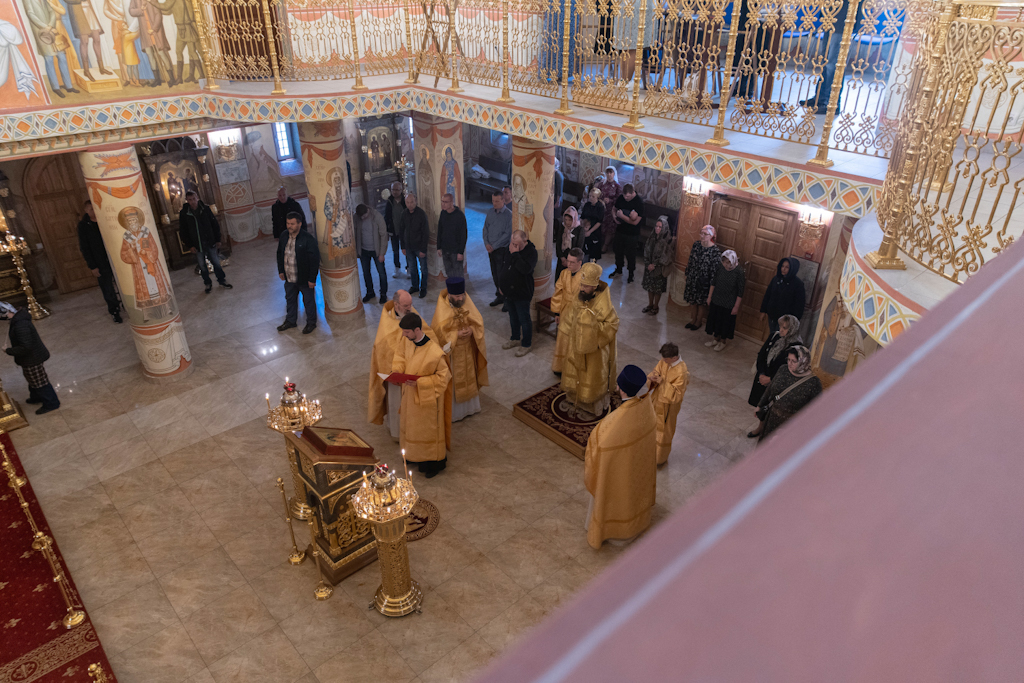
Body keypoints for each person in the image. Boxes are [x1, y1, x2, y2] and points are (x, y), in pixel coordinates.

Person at [583, 364, 657, 549]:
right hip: (637, 466)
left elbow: (600, 444)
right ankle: (637, 523)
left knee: (615, 491)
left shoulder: (615, 423)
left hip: (619, 470)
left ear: (621, 389)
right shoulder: (646, 408)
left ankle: (611, 530)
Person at [392, 312, 452, 478]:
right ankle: (412, 455)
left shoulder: (434, 352)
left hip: (426, 401)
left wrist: (420, 383)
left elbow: (444, 377)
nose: (404, 335)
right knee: (411, 427)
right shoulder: (407, 341)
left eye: (407, 332)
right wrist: (397, 371)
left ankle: (431, 464)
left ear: (417, 330)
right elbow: (400, 356)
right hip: (409, 397)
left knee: (426, 432)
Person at [368, 290, 434, 439]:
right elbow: (382, 350)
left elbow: (427, 334)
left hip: (415, 370)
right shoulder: (387, 322)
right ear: (396, 304)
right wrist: (395, 372)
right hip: (397, 375)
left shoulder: (412, 314)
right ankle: (398, 433)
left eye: (410, 304)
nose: (409, 308)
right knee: (397, 404)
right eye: (405, 306)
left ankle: (416, 431)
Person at [560, 262, 619, 417]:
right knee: (574, 372)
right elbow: (572, 314)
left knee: (591, 377)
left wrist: (592, 331)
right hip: (576, 346)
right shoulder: (579, 296)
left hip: (594, 351)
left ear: (595, 285)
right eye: (581, 284)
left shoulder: (604, 303)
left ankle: (591, 404)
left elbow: (613, 324)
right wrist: (569, 328)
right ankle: (573, 398)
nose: (581, 288)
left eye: (585, 286)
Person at [431, 277, 488, 422]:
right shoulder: (443, 308)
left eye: (462, 295)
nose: (461, 298)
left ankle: (471, 407)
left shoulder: (466, 301)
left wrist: (471, 330)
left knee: (469, 376)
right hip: (453, 352)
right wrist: (455, 334)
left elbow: (478, 322)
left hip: (467, 348)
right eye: (457, 296)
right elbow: (438, 332)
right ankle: (455, 413)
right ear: (450, 295)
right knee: (455, 380)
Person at [747, 314, 802, 438]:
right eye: (780, 326)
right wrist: (761, 373)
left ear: (793, 329)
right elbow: (761, 355)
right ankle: (761, 427)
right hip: (763, 378)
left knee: (772, 409)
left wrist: (771, 379)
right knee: (762, 405)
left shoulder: (797, 348)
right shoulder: (774, 336)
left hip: (777, 383)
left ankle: (768, 432)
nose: (781, 330)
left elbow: (790, 370)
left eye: (785, 328)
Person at [755, 345, 823, 442]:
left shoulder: (814, 383)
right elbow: (770, 389)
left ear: (803, 361)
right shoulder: (783, 369)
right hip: (771, 419)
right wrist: (760, 405)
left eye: (793, 361)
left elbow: (815, 412)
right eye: (788, 359)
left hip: (791, 426)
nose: (789, 364)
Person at [1, 302, 59, 415]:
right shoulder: (18, 319)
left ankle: (51, 403)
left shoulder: (20, 325)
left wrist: (8, 350)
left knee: (40, 382)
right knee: (32, 379)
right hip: (29, 358)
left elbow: (26, 347)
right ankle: (36, 397)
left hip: (32, 358)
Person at [77, 200, 122, 324]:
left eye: (95, 208)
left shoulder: (106, 221)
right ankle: (114, 311)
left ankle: (127, 305)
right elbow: (85, 247)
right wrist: (92, 266)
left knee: (123, 283)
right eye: (91, 209)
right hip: (99, 261)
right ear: (86, 210)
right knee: (107, 288)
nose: (94, 211)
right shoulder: (84, 226)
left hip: (114, 258)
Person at [179, 191, 232, 293]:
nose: (193, 201)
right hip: (197, 244)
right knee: (202, 266)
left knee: (216, 262)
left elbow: (214, 224)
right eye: (190, 200)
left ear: (197, 198)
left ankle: (222, 280)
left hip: (209, 241)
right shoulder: (184, 213)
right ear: (187, 201)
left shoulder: (205, 209)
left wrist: (217, 239)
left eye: (194, 199)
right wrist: (190, 245)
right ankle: (207, 283)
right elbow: (183, 231)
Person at [276, 212, 320, 334]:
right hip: (289, 277)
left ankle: (311, 323)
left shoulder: (308, 239)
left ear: (299, 224)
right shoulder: (284, 235)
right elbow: (280, 253)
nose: (289, 226)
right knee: (290, 300)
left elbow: (314, 260)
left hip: (304, 279)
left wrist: (312, 279)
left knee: (308, 302)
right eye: (288, 223)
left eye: (292, 224)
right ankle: (291, 321)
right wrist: (281, 270)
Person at [648, 343, 689, 466]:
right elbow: (655, 371)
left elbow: (676, 395)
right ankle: (648, 452)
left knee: (664, 432)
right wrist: (653, 378)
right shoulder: (664, 361)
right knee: (650, 426)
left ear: (674, 358)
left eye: (666, 359)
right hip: (656, 400)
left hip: (668, 408)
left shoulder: (682, 372)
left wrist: (662, 382)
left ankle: (659, 458)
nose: (663, 361)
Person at [500, 230, 538, 358]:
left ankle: (526, 344)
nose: (514, 246)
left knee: (524, 319)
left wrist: (515, 254)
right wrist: (501, 285)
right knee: (513, 317)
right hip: (509, 292)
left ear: (525, 241)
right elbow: (504, 266)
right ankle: (515, 338)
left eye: (517, 244)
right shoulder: (510, 248)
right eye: (512, 243)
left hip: (522, 292)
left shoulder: (531, 252)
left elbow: (525, 269)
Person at [551, 247, 584, 375]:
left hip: (578, 314)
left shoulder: (585, 277)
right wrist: (557, 312)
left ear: (580, 262)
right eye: (568, 261)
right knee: (562, 340)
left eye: (572, 262)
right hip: (565, 311)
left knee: (575, 341)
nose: (568, 264)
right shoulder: (564, 273)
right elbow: (558, 293)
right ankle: (560, 366)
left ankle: (572, 368)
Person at [705, 249, 744, 352]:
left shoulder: (739, 271)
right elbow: (714, 282)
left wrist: (736, 307)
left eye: (728, 262)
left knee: (725, 322)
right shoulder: (720, 267)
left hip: (729, 303)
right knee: (716, 319)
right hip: (717, 299)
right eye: (724, 262)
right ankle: (715, 339)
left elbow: (740, 291)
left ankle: (722, 342)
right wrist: (709, 296)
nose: (726, 265)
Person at [684, 225, 721, 331]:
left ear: (711, 236)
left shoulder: (715, 251)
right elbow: (690, 260)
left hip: (704, 281)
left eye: (705, 234)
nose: (702, 236)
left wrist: (711, 285)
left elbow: (714, 271)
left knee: (701, 303)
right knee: (692, 300)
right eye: (701, 233)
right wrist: (687, 273)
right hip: (693, 277)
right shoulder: (696, 245)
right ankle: (693, 320)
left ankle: (698, 322)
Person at [760, 257, 806, 334]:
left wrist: (791, 322)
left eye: (787, 267)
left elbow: (799, 306)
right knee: (772, 335)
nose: (783, 269)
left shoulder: (798, 285)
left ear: (792, 269)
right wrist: (763, 311)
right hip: (772, 315)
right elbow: (768, 295)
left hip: (785, 320)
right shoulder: (776, 279)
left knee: (779, 338)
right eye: (782, 266)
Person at [482, 189, 513, 307]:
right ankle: (499, 296)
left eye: (497, 201)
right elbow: (485, 228)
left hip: (501, 250)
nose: (494, 203)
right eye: (493, 201)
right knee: (494, 273)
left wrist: (494, 246)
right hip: (490, 249)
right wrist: (486, 243)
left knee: (502, 275)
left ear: (503, 200)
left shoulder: (509, 215)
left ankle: (507, 299)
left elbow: (507, 234)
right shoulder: (490, 212)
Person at [354, 203, 389, 304]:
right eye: (361, 217)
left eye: (364, 216)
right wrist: (357, 250)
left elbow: (383, 235)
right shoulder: (357, 217)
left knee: (381, 273)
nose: (362, 218)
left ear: (367, 211)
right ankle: (370, 292)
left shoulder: (377, 216)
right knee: (366, 273)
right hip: (363, 250)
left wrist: (382, 253)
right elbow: (355, 233)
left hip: (376, 250)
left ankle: (383, 294)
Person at [611, 183, 644, 282]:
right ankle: (618, 269)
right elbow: (614, 209)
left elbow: (635, 222)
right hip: (620, 230)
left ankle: (631, 274)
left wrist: (622, 216)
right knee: (618, 251)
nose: (625, 198)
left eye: (628, 196)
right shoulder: (621, 198)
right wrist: (614, 217)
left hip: (632, 233)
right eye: (624, 196)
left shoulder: (639, 202)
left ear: (633, 192)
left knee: (630, 254)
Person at [641, 215, 674, 316]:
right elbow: (646, 250)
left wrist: (655, 265)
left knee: (657, 289)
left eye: (660, 227)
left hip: (659, 268)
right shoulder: (652, 237)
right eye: (656, 226)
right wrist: (648, 263)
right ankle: (650, 304)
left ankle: (656, 306)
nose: (657, 228)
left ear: (664, 228)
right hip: (649, 267)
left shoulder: (668, 240)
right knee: (650, 287)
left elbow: (667, 256)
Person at [402, 193, 430, 299]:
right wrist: (403, 246)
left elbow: (425, 233)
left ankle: (423, 288)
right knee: (412, 268)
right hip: (409, 247)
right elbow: (401, 230)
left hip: (419, 247)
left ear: (416, 201)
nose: (410, 204)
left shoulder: (421, 214)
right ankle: (415, 286)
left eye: (412, 202)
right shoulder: (404, 214)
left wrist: (423, 249)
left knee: (423, 268)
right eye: (407, 202)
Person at [436, 193, 467, 278]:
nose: (443, 204)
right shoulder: (443, 213)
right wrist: (439, 247)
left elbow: (463, 235)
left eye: (445, 202)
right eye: (442, 201)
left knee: (458, 276)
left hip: (455, 251)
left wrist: (460, 252)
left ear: (451, 202)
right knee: (449, 275)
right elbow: (440, 230)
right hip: (445, 249)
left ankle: (460, 288)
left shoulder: (459, 215)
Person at [383, 181, 407, 276]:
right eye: (393, 189)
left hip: (405, 231)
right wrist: (387, 231)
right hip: (394, 231)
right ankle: (397, 268)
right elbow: (386, 217)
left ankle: (409, 268)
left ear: (401, 190)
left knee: (406, 249)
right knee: (395, 251)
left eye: (397, 190)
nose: (395, 192)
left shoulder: (405, 201)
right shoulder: (389, 202)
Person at [555, 207, 584, 280]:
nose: (567, 222)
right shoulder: (562, 227)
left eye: (570, 220)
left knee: (571, 280)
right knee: (560, 278)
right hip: (562, 258)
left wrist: (569, 261)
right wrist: (562, 258)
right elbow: (558, 243)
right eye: (566, 220)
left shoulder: (580, 229)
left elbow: (579, 247)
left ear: (574, 219)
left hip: (573, 259)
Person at [597, 167, 621, 254]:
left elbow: (619, 199)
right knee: (600, 225)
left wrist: (610, 200)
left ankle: (605, 245)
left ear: (614, 174)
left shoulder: (617, 186)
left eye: (611, 172)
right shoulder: (602, 184)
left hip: (611, 210)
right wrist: (601, 199)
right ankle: (598, 242)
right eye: (607, 172)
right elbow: (597, 194)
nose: (609, 174)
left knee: (609, 228)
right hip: (601, 208)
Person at [580, 187, 604, 262]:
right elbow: (582, 217)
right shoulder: (587, 205)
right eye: (590, 196)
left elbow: (599, 222)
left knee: (594, 251)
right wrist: (583, 228)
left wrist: (590, 232)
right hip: (585, 228)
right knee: (585, 249)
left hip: (595, 231)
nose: (591, 198)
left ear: (597, 197)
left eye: (593, 196)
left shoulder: (600, 206)